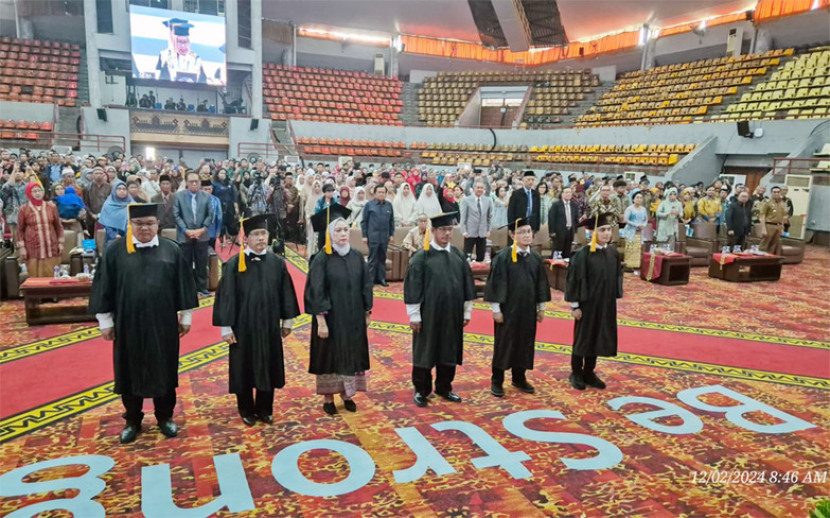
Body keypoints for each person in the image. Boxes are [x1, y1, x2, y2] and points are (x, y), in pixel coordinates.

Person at [89, 203, 198, 443]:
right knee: (129, 370)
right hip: (128, 324)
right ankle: (132, 420)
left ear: (158, 224)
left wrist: (186, 316)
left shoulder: (171, 250)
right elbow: (103, 286)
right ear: (130, 225)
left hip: (163, 323)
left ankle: (164, 417)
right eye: (139, 224)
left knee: (165, 369)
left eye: (150, 223)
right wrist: (105, 320)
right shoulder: (116, 251)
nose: (145, 228)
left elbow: (184, 285)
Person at [212, 214, 301, 425]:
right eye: (256, 234)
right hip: (242, 327)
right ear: (247, 238)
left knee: (268, 365)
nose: (261, 238)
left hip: (269, 325)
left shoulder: (277, 263)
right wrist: (226, 327)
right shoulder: (234, 265)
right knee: (243, 367)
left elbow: (285, 292)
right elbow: (226, 297)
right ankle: (246, 409)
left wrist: (287, 321)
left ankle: (265, 408)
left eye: (264, 233)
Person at [404, 212, 475, 407]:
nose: (447, 234)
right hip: (428, 315)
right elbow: (413, 287)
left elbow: (467, 285)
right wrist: (414, 315)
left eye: (450, 229)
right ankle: (422, 390)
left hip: (452, 314)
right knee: (425, 352)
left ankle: (445, 387)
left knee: (448, 350)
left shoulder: (457, 255)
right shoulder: (422, 257)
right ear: (433, 231)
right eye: (443, 230)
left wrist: (467, 311)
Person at [304, 216, 373, 415]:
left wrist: (367, 311)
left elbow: (365, 285)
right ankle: (328, 398)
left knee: (350, 354)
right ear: (330, 235)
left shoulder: (356, 256)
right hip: (330, 319)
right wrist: (321, 321)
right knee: (330, 356)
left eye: (345, 230)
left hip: (352, 318)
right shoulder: (321, 259)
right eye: (338, 231)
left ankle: (345, 394)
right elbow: (315, 290)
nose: (343, 234)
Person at [484, 217, 551, 397]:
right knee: (504, 344)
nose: (526, 235)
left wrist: (541, 307)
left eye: (529, 231)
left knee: (525, 343)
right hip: (508, 310)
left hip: (527, 309)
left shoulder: (535, 258)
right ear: (512, 235)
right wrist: (496, 310)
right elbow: (495, 285)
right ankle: (497, 380)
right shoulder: (503, 257)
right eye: (521, 232)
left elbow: (541, 284)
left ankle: (519, 377)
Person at [565, 212, 623, 391]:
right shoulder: (582, 255)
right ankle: (576, 371)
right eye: (602, 229)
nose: (606, 233)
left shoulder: (612, 253)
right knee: (583, 338)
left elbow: (616, 277)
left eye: (608, 229)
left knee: (598, 336)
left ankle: (589, 371)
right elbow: (574, 280)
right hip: (586, 304)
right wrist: (575, 305)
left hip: (605, 303)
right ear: (592, 232)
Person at [173, 172, 214, 296]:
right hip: (185, 235)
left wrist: (202, 230)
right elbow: (176, 215)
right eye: (191, 181)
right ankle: (187, 288)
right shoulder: (179, 196)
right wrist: (186, 230)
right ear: (186, 183)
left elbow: (210, 215)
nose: (194, 183)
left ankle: (201, 287)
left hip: (202, 235)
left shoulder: (206, 196)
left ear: (200, 182)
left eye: (197, 181)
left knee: (201, 263)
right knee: (186, 264)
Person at [16, 183, 65, 277]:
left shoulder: (51, 207)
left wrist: (60, 243)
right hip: (32, 249)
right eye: (34, 191)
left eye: (39, 191)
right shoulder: (24, 209)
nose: (37, 193)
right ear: (29, 193)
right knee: (34, 278)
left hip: (51, 247)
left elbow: (59, 227)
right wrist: (22, 248)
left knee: (51, 276)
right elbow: (19, 230)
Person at [361, 184, 395, 286]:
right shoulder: (369, 205)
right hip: (372, 237)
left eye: (383, 192)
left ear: (386, 194)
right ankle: (370, 280)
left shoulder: (389, 205)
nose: (381, 194)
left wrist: (391, 234)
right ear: (375, 193)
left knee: (382, 258)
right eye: (379, 192)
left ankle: (381, 279)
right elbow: (364, 222)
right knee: (372, 259)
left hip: (384, 237)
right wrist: (364, 236)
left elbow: (391, 221)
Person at [460, 180, 492, 262]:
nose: (479, 189)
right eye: (478, 187)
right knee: (467, 256)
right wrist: (464, 231)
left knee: (481, 256)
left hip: (482, 232)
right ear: (473, 188)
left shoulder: (488, 200)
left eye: (481, 188)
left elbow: (489, 217)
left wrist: (488, 230)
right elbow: (463, 216)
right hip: (470, 232)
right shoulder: (467, 200)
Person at [507, 171, 541, 243]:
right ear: (523, 180)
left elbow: (537, 211)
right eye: (528, 180)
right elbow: (510, 212)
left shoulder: (536, 194)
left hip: (531, 225)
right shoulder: (516, 194)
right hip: (518, 225)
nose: (530, 182)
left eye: (532, 180)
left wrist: (536, 227)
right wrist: (511, 227)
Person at [548, 186, 579, 259]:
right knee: (557, 251)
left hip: (570, 231)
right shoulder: (556, 205)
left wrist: (575, 230)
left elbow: (575, 218)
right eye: (566, 192)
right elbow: (551, 218)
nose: (569, 194)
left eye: (570, 192)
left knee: (567, 252)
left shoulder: (574, 205)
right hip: (559, 232)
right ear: (562, 194)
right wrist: (552, 231)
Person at [98, 181, 132, 246]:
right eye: (119, 189)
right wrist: (114, 235)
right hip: (113, 238)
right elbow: (106, 224)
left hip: (130, 237)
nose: (122, 191)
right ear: (114, 190)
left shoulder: (132, 204)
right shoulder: (108, 205)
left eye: (124, 189)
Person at [621, 191, 648, 272]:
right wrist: (636, 225)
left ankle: (636, 265)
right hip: (630, 231)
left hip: (639, 232)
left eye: (641, 198)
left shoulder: (643, 209)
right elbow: (626, 220)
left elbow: (646, 219)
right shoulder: (630, 208)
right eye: (637, 197)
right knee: (630, 249)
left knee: (637, 249)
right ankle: (628, 266)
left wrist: (643, 225)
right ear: (633, 199)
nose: (639, 199)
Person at [759, 186, 788, 255]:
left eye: (778, 192)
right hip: (769, 225)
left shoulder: (782, 204)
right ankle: (760, 260)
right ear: (771, 193)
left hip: (778, 226)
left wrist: (782, 227)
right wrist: (763, 228)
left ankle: (769, 261)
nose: (776, 194)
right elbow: (762, 216)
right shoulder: (767, 202)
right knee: (765, 244)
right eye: (774, 192)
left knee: (773, 245)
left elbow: (784, 216)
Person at [201, 180, 223, 250]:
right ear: (201, 189)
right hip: (199, 231)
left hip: (212, 230)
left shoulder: (216, 200)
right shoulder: (197, 200)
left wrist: (218, 230)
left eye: (210, 189)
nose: (208, 191)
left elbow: (219, 216)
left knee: (212, 250)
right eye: (205, 189)